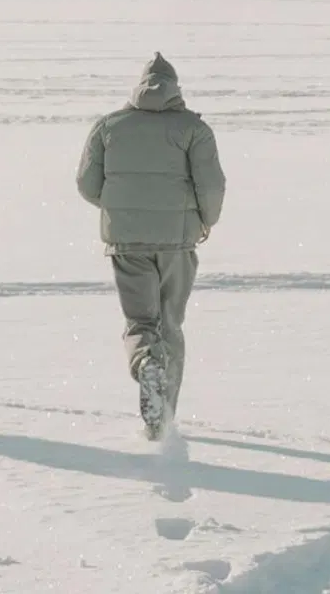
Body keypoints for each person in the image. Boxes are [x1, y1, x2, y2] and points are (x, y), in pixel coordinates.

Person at [76, 52, 225, 440]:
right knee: (170, 324)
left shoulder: (109, 126)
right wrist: (205, 220)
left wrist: (123, 210)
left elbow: (87, 185)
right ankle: (165, 419)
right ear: (176, 89)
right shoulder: (194, 129)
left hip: (127, 243)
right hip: (177, 242)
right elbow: (211, 185)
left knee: (141, 323)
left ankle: (145, 365)